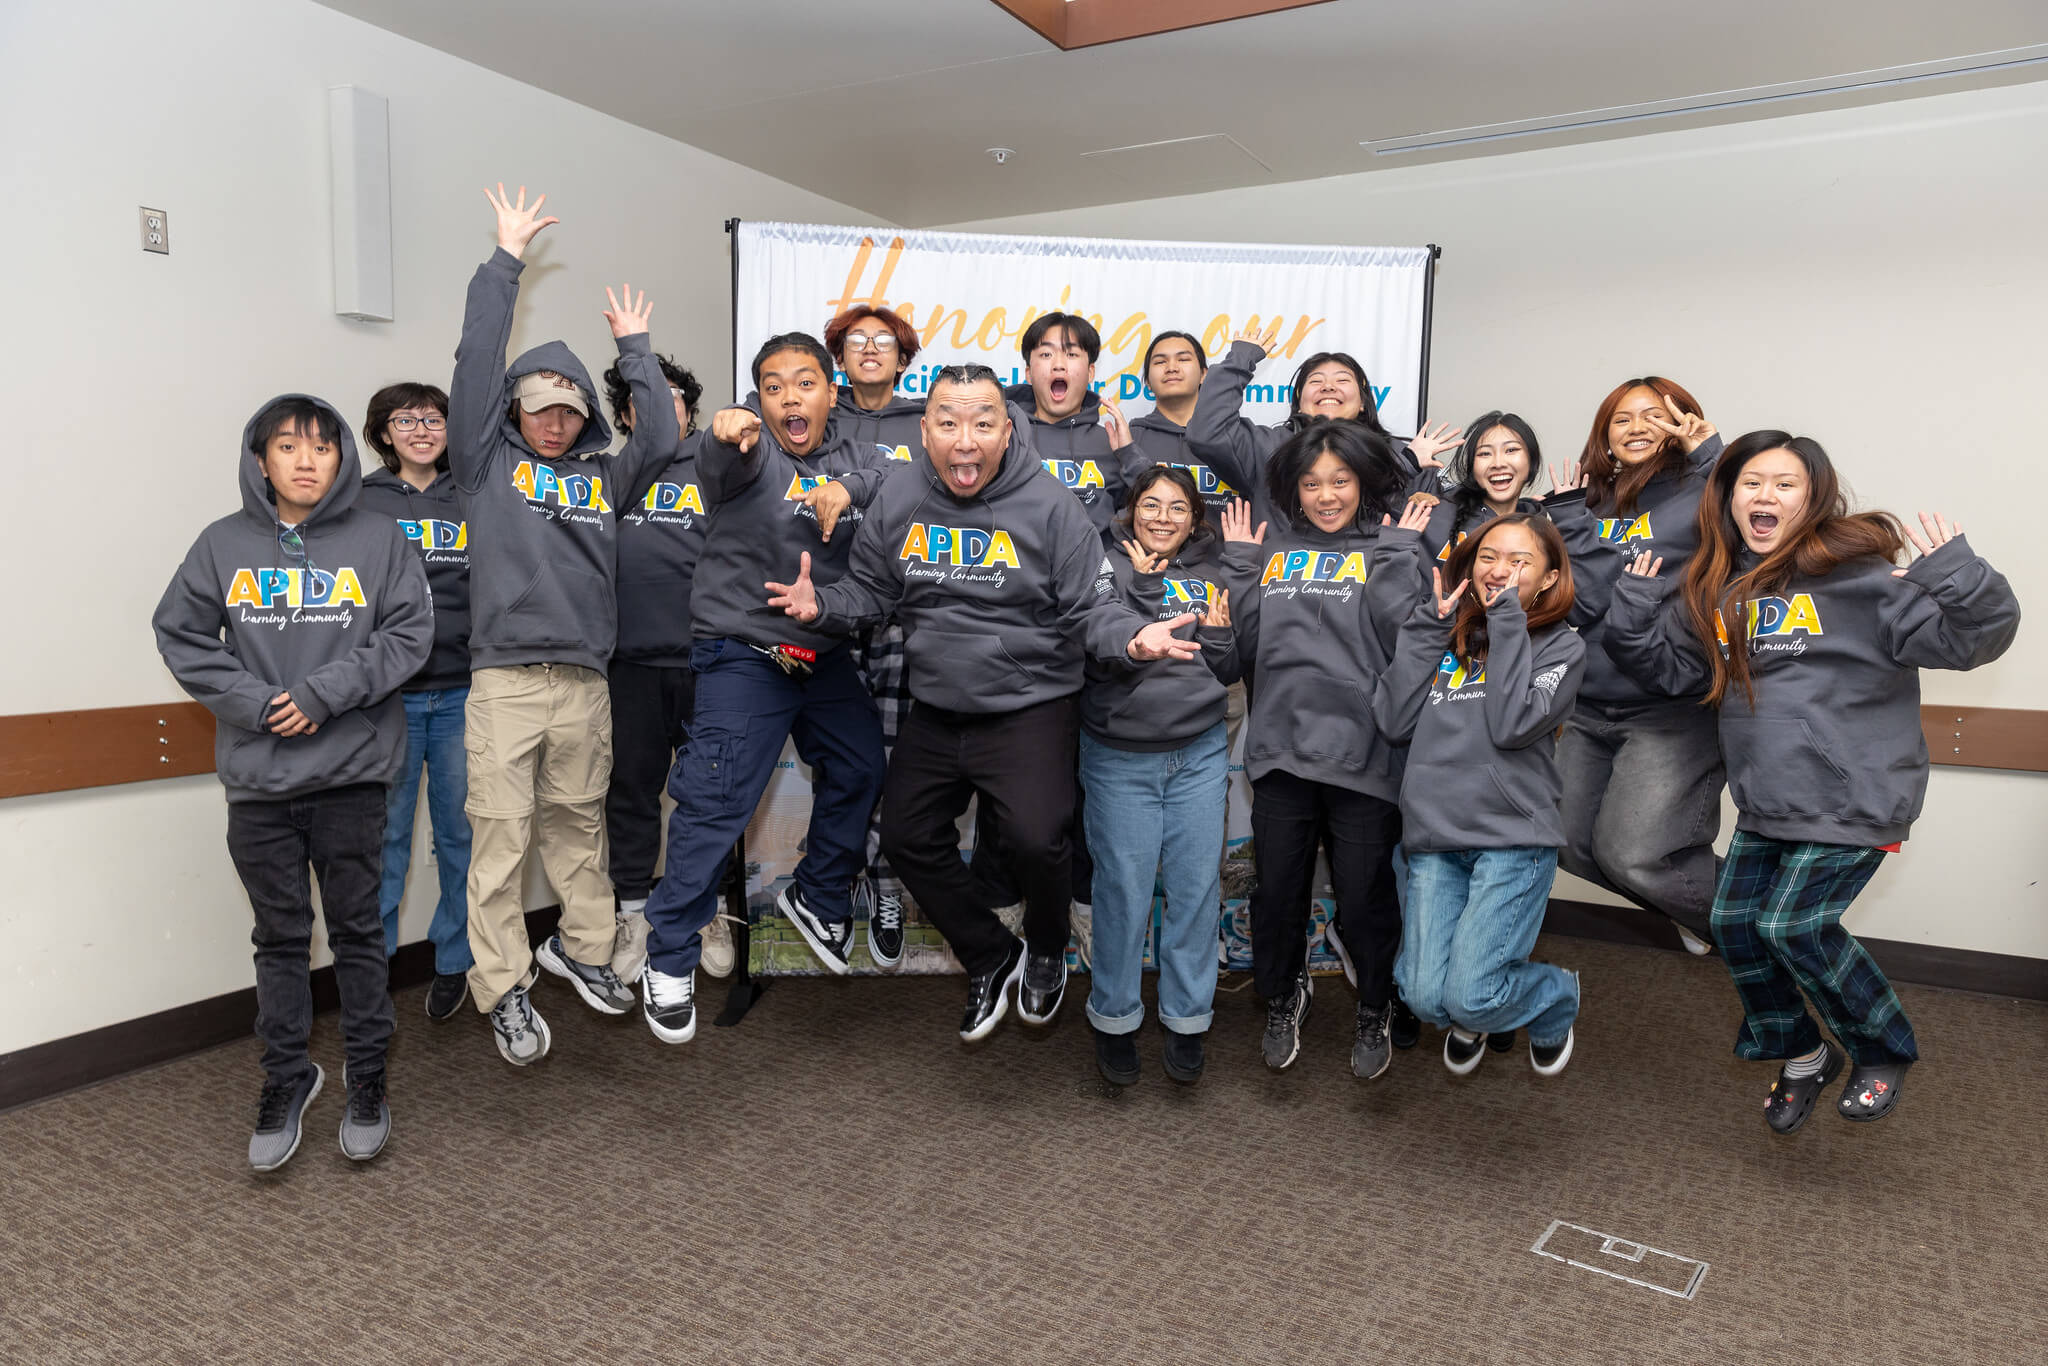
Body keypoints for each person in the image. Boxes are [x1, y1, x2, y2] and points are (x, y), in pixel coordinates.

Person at [764, 364, 1201, 1042]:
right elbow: (872, 596)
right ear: (924, 429)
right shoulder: (901, 494)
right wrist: (823, 605)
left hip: (1031, 705)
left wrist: (1134, 639)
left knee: (1037, 838)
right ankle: (993, 955)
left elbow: (1093, 606)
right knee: (906, 839)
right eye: (948, 423)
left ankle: (1048, 947)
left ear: (1007, 427)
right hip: (937, 703)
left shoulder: (1051, 506)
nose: (965, 441)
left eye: (982, 423)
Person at [1606, 432, 2018, 1132]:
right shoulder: (1725, 589)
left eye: (1784, 483)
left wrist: (1957, 573)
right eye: (1750, 484)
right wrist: (1635, 606)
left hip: (1854, 797)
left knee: (1793, 927)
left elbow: (1975, 639)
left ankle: (1881, 1050)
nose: (1764, 496)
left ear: (1814, 496)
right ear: (1729, 498)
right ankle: (1800, 1053)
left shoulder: (1866, 581)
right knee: (1736, 927)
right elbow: (1677, 676)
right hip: (1768, 802)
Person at [154, 394, 433, 1170]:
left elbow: (410, 634)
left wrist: (320, 695)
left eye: (322, 446)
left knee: (356, 935)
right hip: (259, 786)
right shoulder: (222, 544)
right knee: (277, 939)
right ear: (261, 460)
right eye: (288, 446)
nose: (306, 460)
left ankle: (368, 1078)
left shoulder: (380, 541)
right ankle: (287, 1076)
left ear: (344, 457)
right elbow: (178, 633)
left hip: (351, 776)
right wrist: (255, 704)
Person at [448, 185, 679, 1065]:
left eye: (568, 407)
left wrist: (635, 351)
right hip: (506, 679)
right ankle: (503, 987)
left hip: (584, 680)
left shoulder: (602, 479)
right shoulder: (482, 464)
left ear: (586, 412)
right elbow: (475, 359)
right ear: (514, 407)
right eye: (538, 404)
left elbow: (656, 438)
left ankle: (583, 953)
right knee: (502, 841)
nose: (552, 419)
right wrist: (505, 261)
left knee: (579, 827)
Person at [635, 333, 893, 1045]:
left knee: (864, 766)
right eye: (773, 386)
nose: (789, 398)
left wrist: (850, 487)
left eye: (804, 383)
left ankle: (815, 891)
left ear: (830, 393)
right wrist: (724, 432)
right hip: (745, 654)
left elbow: (897, 482)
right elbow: (718, 457)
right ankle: (669, 956)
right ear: (758, 397)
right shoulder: (746, 450)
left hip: (824, 651)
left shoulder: (857, 457)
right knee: (716, 804)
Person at [1216, 422, 1418, 1078]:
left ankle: (1376, 1001)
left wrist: (1397, 556)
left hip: (1365, 752)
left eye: (1340, 481)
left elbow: (1405, 643)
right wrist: (1242, 567)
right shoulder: (1268, 545)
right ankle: (1282, 993)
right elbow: (1240, 650)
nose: (1326, 494)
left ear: (1362, 483)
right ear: (1292, 490)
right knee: (1276, 891)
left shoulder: (1390, 545)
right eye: (1311, 483)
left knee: (1363, 895)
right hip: (1280, 750)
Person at [1372, 514, 1586, 1077]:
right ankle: (1485, 1009)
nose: (1500, 570)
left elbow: (1513, 724)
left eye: (1520, 561)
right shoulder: (1447, 635)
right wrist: (1425, 632)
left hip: (1511, 839)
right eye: (1489, 556)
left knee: (1471, 995)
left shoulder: (1562, 647)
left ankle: (1555, 997)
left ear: (1547, 578)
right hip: (1436, 837)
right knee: (1421, 996)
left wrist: (1509, 620)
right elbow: (1393, 721)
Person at [1540, 378, 1724, 955]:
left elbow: (1761, 507)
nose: (1637, 427)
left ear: (1681, 423)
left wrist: (1711, 453)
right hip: (1590, 702)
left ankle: (1763, 933)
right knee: (1564, 844)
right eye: (1622, 418)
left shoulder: (1704, 491)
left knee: (1634, 856)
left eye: (1653, 415)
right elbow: (1578, 594)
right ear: (1605, 434)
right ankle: (1692, 905)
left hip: (1668, 706)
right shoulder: (1587, 502)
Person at [1080, 466, 1240, 1086]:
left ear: (1195, 520)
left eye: (1178, 508)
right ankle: (1115, 1018)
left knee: (1196, 889)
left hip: (1198, 754)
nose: (1164, 517)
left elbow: (1225, 670)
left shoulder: (1212, 575)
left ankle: (1188, 1018)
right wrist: (1142, 610)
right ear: (1130, 510)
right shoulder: (1102, 566)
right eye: (1151, 504)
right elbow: (1100, 640)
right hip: (1122, 758)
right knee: (1123, 891)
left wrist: (1223, 635)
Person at [602, 356, 737, 981]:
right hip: (628, 664)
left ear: (690, 408)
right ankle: (634, 911)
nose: (661, 404)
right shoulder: (606, 476)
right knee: (629, 793)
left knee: (707, 797)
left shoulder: (721, 470)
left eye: (674, 394)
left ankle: (701, 905)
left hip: (709, 662)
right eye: (644, 395)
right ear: (627, 413)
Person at [356, 382, 476, 1022]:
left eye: (433, 419)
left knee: (462, 837)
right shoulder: (361, 501)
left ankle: (454, 960)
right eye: (406, 419)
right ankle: (370, 979)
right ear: (383, 432)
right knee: (387, 842)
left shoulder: (474, 493)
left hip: (464, 692)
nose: (422, 429)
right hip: (389, 702)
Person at [825, 303, 928, 965]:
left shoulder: (927, 423)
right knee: (841, 762)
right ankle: (832, 890)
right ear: (838, 357)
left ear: (903, 356)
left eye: (882, 341)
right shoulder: (817, 417)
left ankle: (887, 887)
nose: (869, 350)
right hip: (828, 608)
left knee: (889, 761)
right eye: (856, 341)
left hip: (898, 612)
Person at [1186, 320, 1463, 523]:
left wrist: (1407, 465)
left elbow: (1412, 526)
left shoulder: (1404, 455)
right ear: (1299, 399)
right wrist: (1240, 360)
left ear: (1364, 401)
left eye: (1342, 380)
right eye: (1316, 381)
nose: (1328, 387)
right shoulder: (1266, 446)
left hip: (1367, 591)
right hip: (1279, 590)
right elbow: (1207, 432)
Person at [1125, 332, 1241, 523]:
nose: (1172, 368)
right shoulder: (1130, 440)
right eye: (1160, 362)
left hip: (1226, 553)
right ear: (1147, 381)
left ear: (1205, 374)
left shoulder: (1235, 438)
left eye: (1183, 359)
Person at [1409, 410, 1547, 564]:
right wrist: (1409, 460)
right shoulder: (1433, 512)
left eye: (1511, 450)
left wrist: (1566, 510)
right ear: (1472, 468)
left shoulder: (1541, 529)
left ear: (1531, 461)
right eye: (1485, 453)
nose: (1498, 463)